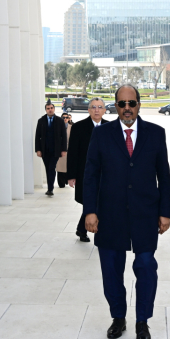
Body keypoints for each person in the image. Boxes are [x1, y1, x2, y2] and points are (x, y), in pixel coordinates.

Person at [82, 85, 170, 339]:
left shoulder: (156, 134)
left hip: (145, 215)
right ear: (116, 106)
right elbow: (91, 175)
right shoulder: (102, 135)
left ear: (139, 104)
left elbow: (163, 176)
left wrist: (165, 212)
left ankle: (142, 321)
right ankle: (118, 317)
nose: (127, 108)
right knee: (111, 271)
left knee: (146, 268)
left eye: (131, 102)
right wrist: (90, 210)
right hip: (110, 215)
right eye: (122, 104)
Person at [67, 98, 108, 242]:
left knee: (101, 202)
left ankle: (84, 229)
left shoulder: (110, 127)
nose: (97, 110)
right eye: (93, 107)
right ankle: (84, 228)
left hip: (105, 175)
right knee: (89, 201)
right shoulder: (78, 127)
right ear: (89, 110)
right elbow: (72, 153)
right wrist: (71, 175)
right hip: (85, 174)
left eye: (100, 107)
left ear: (104, 110)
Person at [35, 101, 67, 196]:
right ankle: (50, 187)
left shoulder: (60, 121)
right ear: (46, 110)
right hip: (45, 150)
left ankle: (50, 189)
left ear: (54, 109)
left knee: (51, 168)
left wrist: (64, 149)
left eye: (51, 108)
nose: (50, 110)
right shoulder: (41, 121)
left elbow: (63, 136)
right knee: (47, 168)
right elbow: (38, 136)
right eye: (48, 108)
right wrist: (38, 150)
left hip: (55, 150)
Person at [55, 113, 73, 188]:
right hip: (60, 150)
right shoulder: (57, 127)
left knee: (67, 166)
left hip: (69, 150)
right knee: (60, 167)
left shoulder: (72, 127)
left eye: (66, 117)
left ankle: (67, 180)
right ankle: (61, 183)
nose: (65, 119)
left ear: (69, 119)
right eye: (63, 117)